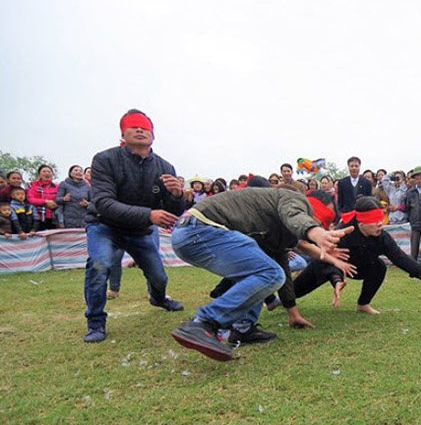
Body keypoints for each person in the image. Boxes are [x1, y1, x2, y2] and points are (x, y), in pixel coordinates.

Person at [170, 187, 353, 360]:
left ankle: (243, 328)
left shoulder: (278, 232)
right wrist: (315, 231)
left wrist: (293, 312)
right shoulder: (294, 199)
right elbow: (295, 215)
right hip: (200, 229)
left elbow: (282, 266)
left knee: (264, 271)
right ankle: (203, 322)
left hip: (190, 235)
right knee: (269, 273)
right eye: (322, 219)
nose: (323, 223)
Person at [82, 109, 186, 343]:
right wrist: (149, 214)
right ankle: (96, 322)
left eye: (145, 127)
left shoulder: (165, 166)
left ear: (153, 135)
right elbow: (104, 202)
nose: (140, 130)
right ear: (123, 133)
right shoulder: (104, 159)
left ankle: (158, 299)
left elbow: (172, 212)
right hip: (104, 225)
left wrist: (178, 195)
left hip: (139, 230)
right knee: (99, 265)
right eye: (133, 126)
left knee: (159, 277)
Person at [292, 196, 421, 315]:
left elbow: (401, 258)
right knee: (291, 294)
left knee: (379, 266)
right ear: (362, 222)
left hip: (360, 268)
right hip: (328, 266)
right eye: (375, 220)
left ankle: (363, 304)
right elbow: (328, 262)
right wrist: (337, 281)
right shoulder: (343, 233)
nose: (381, 223)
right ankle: (278, 299)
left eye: (382, 219)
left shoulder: (382, 237)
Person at [27, 165, 59, 231]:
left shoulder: (57, 187)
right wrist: (45, 201)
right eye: (44, 171)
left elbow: (61, 199)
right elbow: (31, 199)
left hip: (53, 217)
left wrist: (55, 204)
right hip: (37, 217)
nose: (47, 173)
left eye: (49, 172)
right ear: (39, 174)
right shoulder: (33, 185)